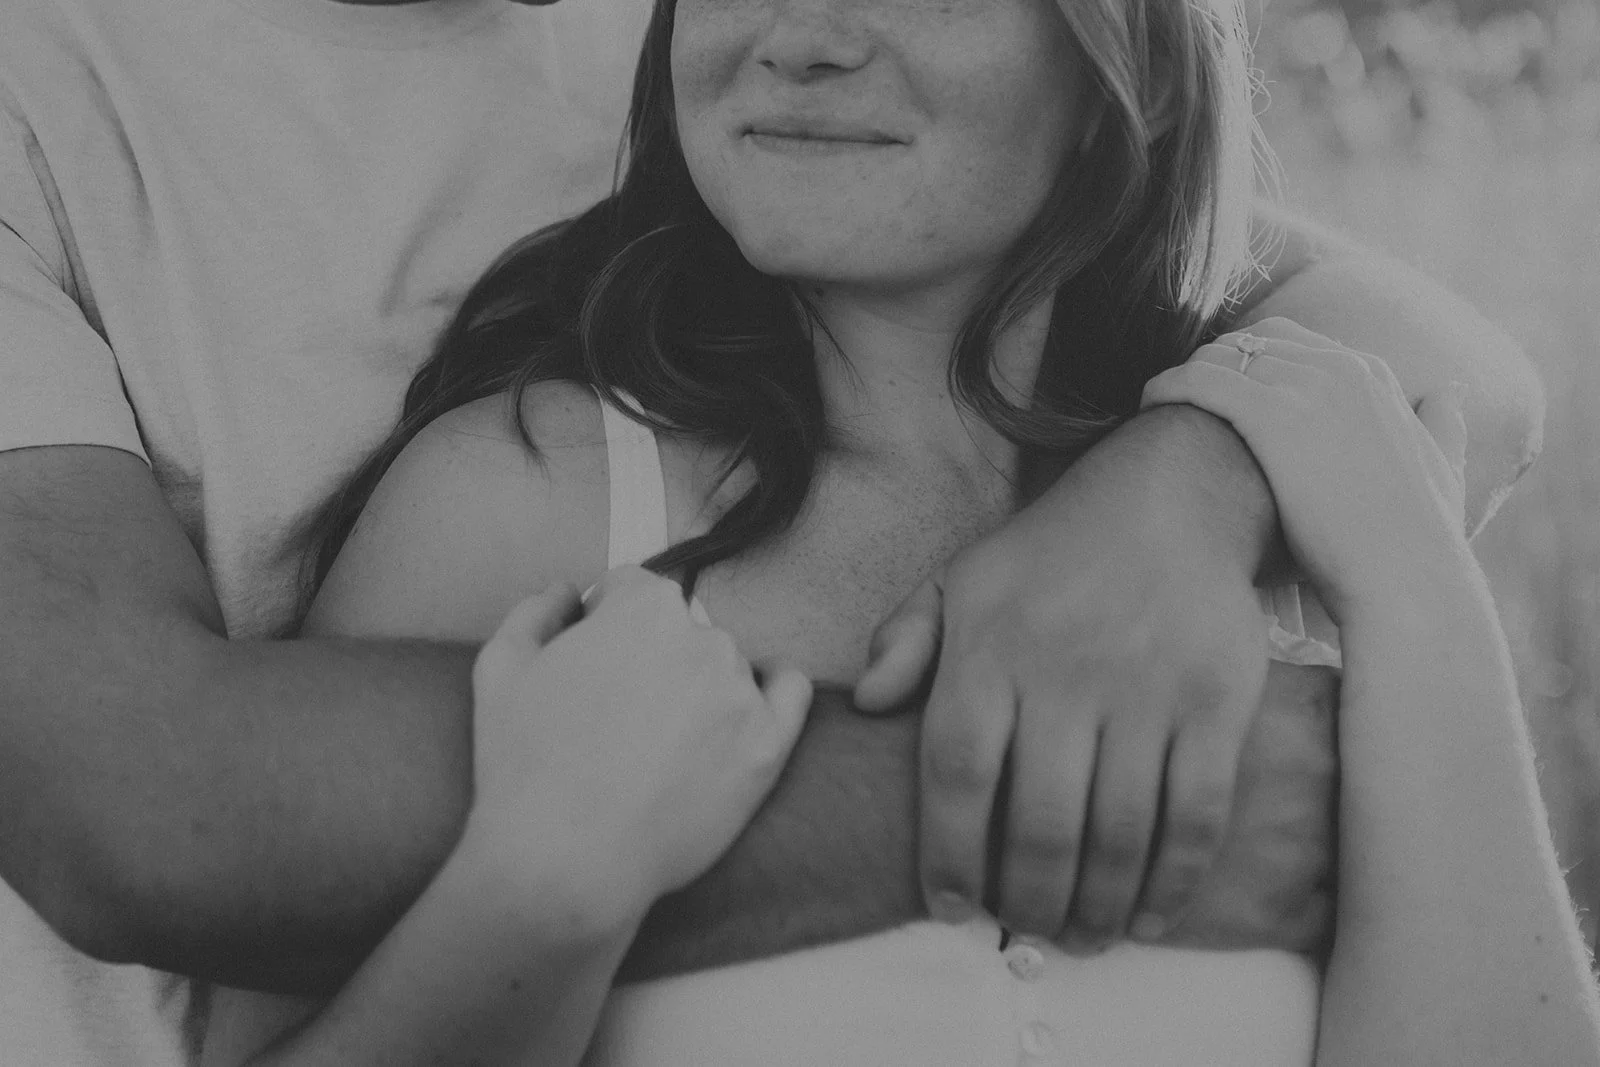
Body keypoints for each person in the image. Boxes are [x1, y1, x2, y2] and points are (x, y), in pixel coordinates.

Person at [0, 0, 1548, 1064]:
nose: (804, 34)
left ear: (1116, 63)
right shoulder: (527, 497)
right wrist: (554, 876)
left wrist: (1198, 485)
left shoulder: (1288, 485)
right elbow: (135, 803)